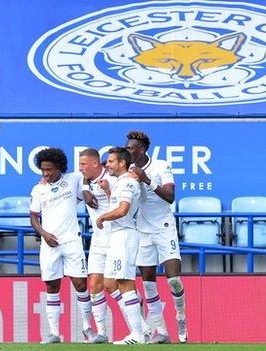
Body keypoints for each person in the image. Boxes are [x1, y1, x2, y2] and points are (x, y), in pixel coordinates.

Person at [126, 131, 188, 343]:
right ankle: (160, 331)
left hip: (164, 228)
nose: (128, 151)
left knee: (174, 280)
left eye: (131, 148)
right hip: (143, 231)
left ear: (141, 150)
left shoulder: (161, 166)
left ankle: (180, 316)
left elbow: (170, 197)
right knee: (148, 284)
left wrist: (147, 180)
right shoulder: (128, 170)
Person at [29, 147, 95, 344]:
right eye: (43, 170)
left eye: (49, 169)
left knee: (81, 284)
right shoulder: (38, 189)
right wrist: (45, 235)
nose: (46, 174)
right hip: (50, 244)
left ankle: (87, 329)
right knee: (52, 286)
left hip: (72, 241)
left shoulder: (73, 179)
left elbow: (87, 176)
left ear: (59, 167)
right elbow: (33, 218)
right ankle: (54, 333)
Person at [96, 147, 145, 344]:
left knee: (125, 282)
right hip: (116, 236)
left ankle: (138, 334)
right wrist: (108, 191)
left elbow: (123, 210)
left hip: (125, 236)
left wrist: (103, 216)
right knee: (109, 283)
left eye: (110, 161)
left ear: (121, 163)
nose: (106, 165)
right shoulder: (119, 183)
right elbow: (118, 206)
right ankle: (143, 327)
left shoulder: (128, 183)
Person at [78, 148, 115, 343]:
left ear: (95, 164)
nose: (80, 168)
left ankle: (140, 326)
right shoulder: (83, 179)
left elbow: (122, 205)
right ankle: (101, 333)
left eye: (83, 164)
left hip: (117, 237)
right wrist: (85, 188)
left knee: (116, 286)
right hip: (98, 240)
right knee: (94, 284)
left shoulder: (113, 177)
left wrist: (107, 191)